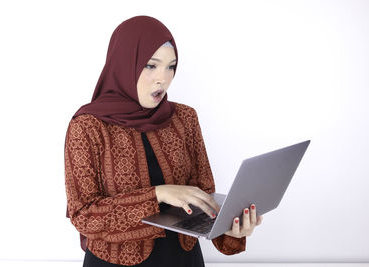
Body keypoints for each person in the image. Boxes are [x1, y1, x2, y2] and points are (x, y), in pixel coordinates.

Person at [64, 15, 263, 267]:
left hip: (183, 259)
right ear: (124, 64)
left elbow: (204, 196)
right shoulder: (88, 126)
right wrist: (158, 194)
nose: (163, 78)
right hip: (114, 262)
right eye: (151, 65)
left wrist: (229, 230)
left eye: (171, 66)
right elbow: (84, 215)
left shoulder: (184, 118)